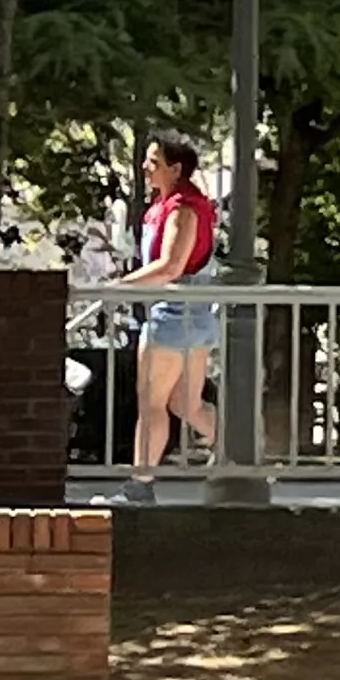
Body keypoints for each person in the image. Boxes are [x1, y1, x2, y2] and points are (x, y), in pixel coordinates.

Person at [117, 134, 222, 480]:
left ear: (175, 169)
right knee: (185, 404)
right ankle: (242, 453)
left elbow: (171, 267)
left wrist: (117, 287)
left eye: (153, 162)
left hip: (173, 315)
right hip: (196, 315)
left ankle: (139, 486)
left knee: (151, 406)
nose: (145, 168)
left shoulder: (182, 209)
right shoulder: (175, 206)